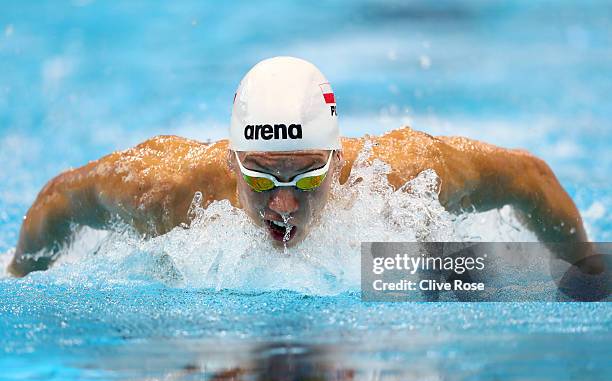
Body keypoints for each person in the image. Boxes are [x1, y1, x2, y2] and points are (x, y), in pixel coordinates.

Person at [8, 56, 589, 277]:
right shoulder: (169, 190)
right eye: (260, 175)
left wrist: (587, 269)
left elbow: (529, 179)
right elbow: (60, 199)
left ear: (337, 161)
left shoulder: (398, 179)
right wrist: (16, 280)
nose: (282, 204)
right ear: (231, 160)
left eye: (306, 175)